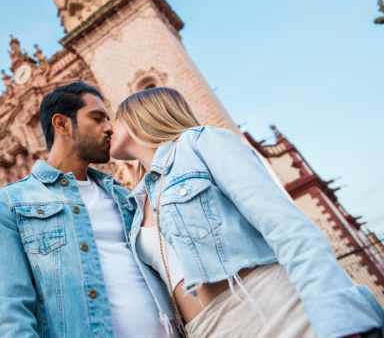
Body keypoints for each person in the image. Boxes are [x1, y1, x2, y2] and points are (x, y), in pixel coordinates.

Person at [109, 86, 384, 338]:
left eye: (115, 118)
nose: (108, 126)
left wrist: (338, 319)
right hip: (205, 330)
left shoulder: (201, 144)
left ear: (140, 115)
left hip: (273, 311)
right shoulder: (135, 204)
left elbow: (286, 227)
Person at [0, 81, 180, 338]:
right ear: (62, 124)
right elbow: (11, 315)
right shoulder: (9, 204)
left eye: (108, 119)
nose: (109, 127)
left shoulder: (127, 197)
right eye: (97, 118)